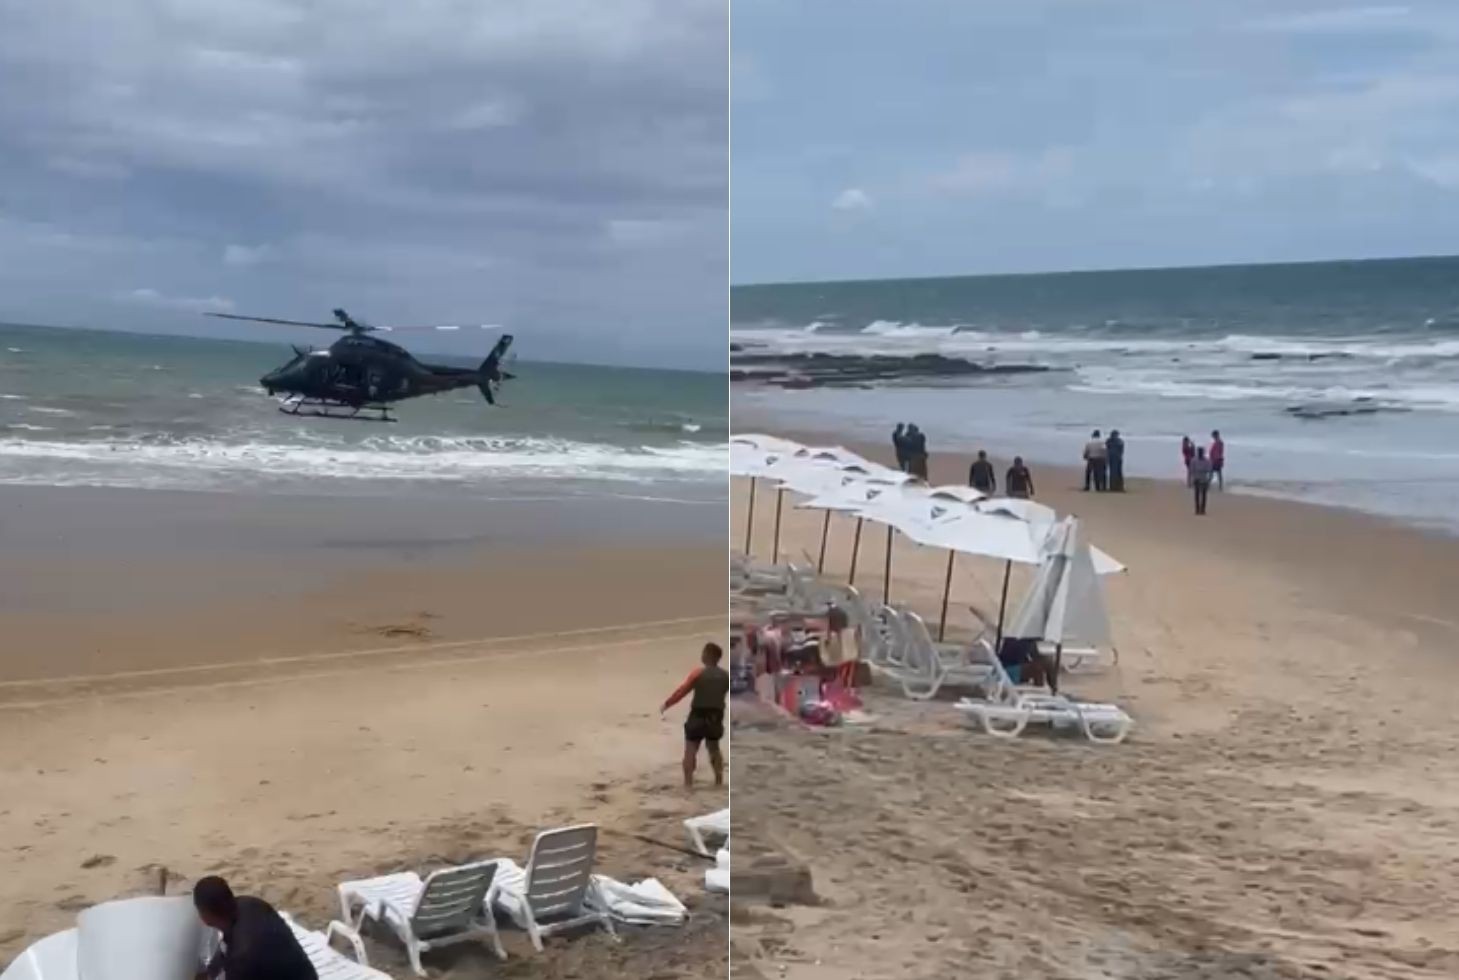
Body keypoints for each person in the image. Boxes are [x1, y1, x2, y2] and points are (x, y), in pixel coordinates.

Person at [194, 877, 318, 980]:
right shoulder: (249, 903)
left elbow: (236, 965)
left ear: (205, 916)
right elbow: (223, 951)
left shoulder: (241, 958)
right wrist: (209, 973)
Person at [661, 642, 729, 789]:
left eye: (704, 652)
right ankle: (719, 781)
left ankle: (688, 784)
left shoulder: (698, 674)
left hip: (698, 714)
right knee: (714, 749)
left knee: (691, 749)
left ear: (708, 655)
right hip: (715, 717)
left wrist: (667, 704)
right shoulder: (726, 676)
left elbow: (682, 691)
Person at [1190, 447, 1213, 516]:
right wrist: (1191, 479)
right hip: (1196, 478)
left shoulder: (1207, 461)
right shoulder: (1193, 460)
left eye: (1201, 452)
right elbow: (1191, 471)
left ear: (1203, 453)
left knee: (1204, 495)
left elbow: (1210, 470)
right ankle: (1197, 509)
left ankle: (1203, 509)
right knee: (1197, 495)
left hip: (1204, 479)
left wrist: (1209, 479)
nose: (1200, 453)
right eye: (1199, 452)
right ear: (1197, 453)